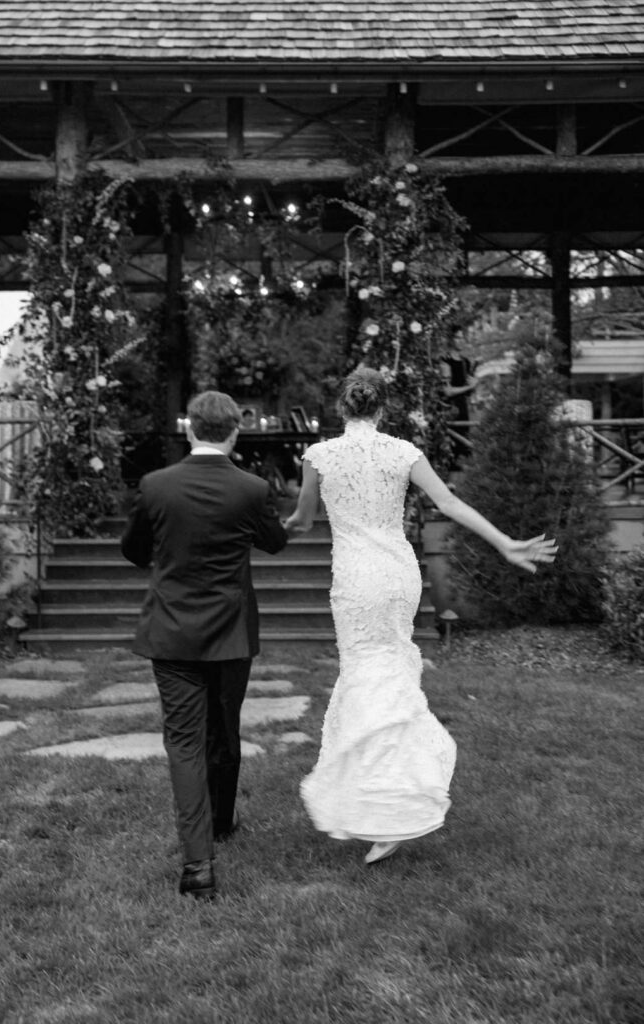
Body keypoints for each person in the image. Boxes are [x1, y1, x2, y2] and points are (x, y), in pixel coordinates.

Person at [284, 368, 557, 866]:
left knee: (366, 674)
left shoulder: (319, 457)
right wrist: (505, 543)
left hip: (356, 577)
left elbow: (302, 521)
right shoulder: (404, 453)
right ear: (382, 409)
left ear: (341, 409)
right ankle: (391, 797)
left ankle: (382, 801)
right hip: (397, 572)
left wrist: (272, 529)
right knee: (389, 672)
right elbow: (449, 503)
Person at [121, 390, 288, 900]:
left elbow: (133, 551)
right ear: (235, 432)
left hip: (172, 631)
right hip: (232, 632)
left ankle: (200, 864)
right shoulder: (252, 489)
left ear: (190, 428)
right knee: (225, 728)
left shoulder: (156, 486)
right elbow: (275, 542)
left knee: (185, 743)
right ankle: (219, 822)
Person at [440, 331, 478, 467]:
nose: (461, 340)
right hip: (449, 409)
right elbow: (447, 391)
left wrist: (473, 384)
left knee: (464, 450)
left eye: (463, 337)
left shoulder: (465, 362)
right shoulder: (445, 362)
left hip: (463, 409)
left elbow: (468, 391)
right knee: (451, 450)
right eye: (457, 337)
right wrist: (470, 387)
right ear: (451, 340)